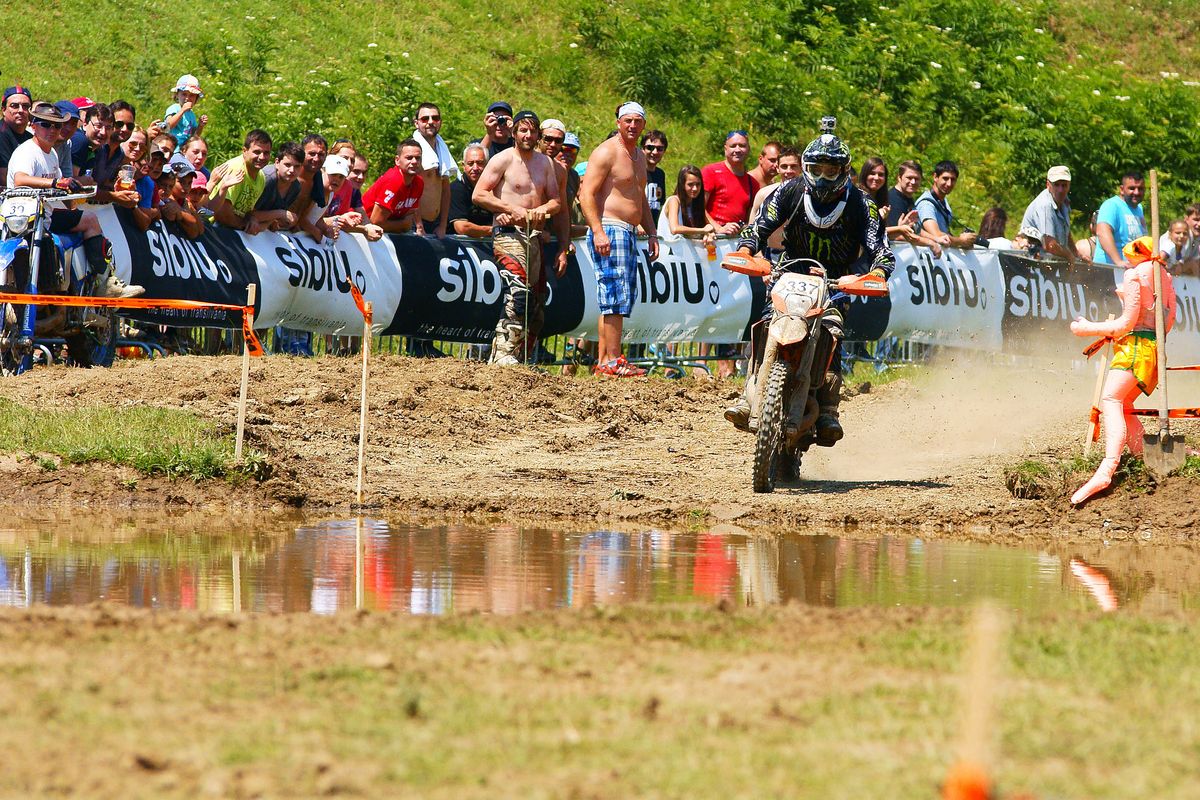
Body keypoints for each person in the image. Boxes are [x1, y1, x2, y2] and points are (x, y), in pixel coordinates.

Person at [725, 116, 894, 444]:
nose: (822, 176)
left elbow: (881, 249)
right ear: (805, 167)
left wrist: (875, 274)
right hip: (789, 272)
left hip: (836, 281)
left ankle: (829, 406)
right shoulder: (791, 190)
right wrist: (747, 249)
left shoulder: (862, 205)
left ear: (844, 171)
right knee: (765, 322)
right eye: (816, 168)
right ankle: (749, 395)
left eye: (830, 170)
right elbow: (761, 224)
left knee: (833, 333)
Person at [1068, 236, 1175, 505]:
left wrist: (1086, 329)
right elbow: (1169, 322)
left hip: (1136, 350)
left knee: (1111, 400)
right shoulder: (1166, 276)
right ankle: (1146, 458)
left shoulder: (1135, 275)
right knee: (1125, 405)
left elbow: (1125, 324)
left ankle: (1106, 469)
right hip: (1154, 351)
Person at [6, 102, 143, 298]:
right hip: (22, 220)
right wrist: (55, 183)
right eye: (46, 124)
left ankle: (104, 282)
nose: (52, 130)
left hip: (45, 216)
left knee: (89, 219)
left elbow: (65, 188)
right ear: (34, 125)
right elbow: (20, 179)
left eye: (57, 125)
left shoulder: (52, 153)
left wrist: (75, 194)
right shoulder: (27, 151)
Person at [472, 110, 561, 366]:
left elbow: (556, 200)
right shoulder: (502, 159)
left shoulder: (545, 163)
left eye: (532, 131)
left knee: (535, 301)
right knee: (518, 293)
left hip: (533, 235)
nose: (528, 135)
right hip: (508, 234)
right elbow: (479, 194)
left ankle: (520, 357)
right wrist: (509, 209)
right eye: (523, 130)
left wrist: (542, 210)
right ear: (514, 133)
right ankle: (503, 352)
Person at [578, 102, 659, 376]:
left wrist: (652, 232)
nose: (632, 125)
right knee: (614, 293)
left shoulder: (638, 156)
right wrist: (598, 230)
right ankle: (612, 360)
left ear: (643, 124)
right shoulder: (606, 152)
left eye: (637, 121)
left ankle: (605, 360)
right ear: (618, 123)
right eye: (628, 120)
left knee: (618, 296)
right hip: (610, 228)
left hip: (627, 231)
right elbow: (585, 194)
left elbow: (641, 200)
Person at [206, 128, 273, 233]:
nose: (262, 157)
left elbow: (247, 211)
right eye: (257, 152)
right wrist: (244, 225)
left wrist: (252, 219)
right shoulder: (235, 169)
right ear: (244, 151)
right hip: (213, 227)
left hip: (233, 228)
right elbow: (222, 214)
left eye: (266, 153)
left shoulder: (261, 176)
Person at [412, 101, 456, 238]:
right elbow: (410, 190)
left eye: (435, 118)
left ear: (440, 122)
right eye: (425, 119)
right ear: (416, 123)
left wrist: (443, 225)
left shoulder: (442, 150)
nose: (430, 122)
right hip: (416, 223)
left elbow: (445, 190)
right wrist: (419, 225)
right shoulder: (413, 151)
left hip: (436, 224)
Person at [362, 138, 424, 233]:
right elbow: (375, 223)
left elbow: (408, 219)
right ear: (397, 160)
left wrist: (404, 225)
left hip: (387, 232)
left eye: (418, 158)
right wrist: (402, 225)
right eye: (409, 158)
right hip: (361, 227)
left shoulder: (419, 183)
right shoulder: (393, 181)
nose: (414, 161)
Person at [702, 130, 758, 235]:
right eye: (733, 146)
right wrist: (718, 228)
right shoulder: (711, 172)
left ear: (748, 149)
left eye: (742, 146)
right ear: (725, 149)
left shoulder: (753, 183)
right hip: (713, 238)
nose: (737, 150)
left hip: (738, 239)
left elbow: (751, 216)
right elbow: (698, 207)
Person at [746, 147, 802, 252]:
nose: (788, 171)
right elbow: (752, 229)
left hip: (800, 256)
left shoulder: (808, 195)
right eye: (784, 167)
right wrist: (757, 255)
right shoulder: (764, 194)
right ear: (777, 168)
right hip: (771, 254)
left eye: (793, 166)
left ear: (801, 168)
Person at [1021, 165, 1076, 264]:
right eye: (1056, 185)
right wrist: (1069, 256)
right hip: (1032, 264)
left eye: (1064, 185)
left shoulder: (1065, 202)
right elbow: (1050, 245)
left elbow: (1066, 234)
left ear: (1069, 186)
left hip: (1050, 264)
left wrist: (1077, 255)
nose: (1060, 190)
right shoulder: (1045, 205)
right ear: (1048, 185)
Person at [916, 160, 975, 249]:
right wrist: (962, 241)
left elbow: (944, 233)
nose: (949, 183)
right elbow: (937, 236)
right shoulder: (926, 205)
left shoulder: (943, 201)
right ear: (935, 177)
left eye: (953, 179)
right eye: (945, 178)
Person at [1094, 171, 1146, 267]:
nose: (1137, 192)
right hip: (1109, 270)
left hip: (1130, 271)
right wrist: (1118, 262)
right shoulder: (1111, 205)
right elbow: (1102, 233)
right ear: (1122, 189)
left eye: (1140, 189)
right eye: (1132, 188)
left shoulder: (1139, 209)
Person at [253, 141, 306, 231]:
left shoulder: (295, 186)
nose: (292, 170)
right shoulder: (266, 179)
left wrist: (272, 221)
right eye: (287, 165)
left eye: (297, 166)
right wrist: (281, 214)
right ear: (277, 162)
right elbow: (248, 214)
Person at [658, 165, 715, 244]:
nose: (695, 188)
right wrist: (703, 230)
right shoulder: (674, 201)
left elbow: (710, 227)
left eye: (698, 184)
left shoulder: (695, 205)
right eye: (690, 184)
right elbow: (675, 229)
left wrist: (709, 234)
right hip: (669, 252)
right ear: (682, 185)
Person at [0, 86, 33, 186]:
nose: (20, 110)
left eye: (25, 106)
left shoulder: (30, 137)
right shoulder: (1, 135)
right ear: (3, 110)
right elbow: (4, 177)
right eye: (14, 106)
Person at [163, 74, 208, 149]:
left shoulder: (191, 115)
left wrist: (200, 126)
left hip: (183, 151)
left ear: (196, 98)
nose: (187, 98)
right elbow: (167, 127)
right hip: (171, 149)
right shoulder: (174, 108)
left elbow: (194, 137)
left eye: (192, 95)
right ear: (177, 95)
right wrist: (182, 110)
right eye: (184, 94)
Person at [641, 130, 669, 221]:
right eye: (650, 147)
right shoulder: (635, 171)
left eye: (659, 149)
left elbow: (660, 204)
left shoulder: (660, 174)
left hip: (652, 228)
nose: (655, 152)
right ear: (642, 149)